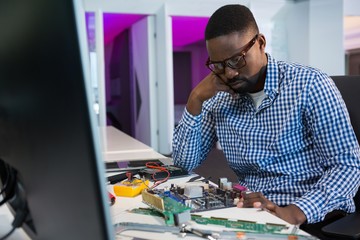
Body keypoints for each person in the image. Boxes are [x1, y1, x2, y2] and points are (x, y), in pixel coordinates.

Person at [172, 4, 360, 237]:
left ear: (260, 42)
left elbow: (346, 166)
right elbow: (183, 162)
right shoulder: (218, 97)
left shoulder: (309, 84)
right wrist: (195, 98)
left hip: (312, 216)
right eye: (218, 65)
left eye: (237, 60)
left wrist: (295, 211)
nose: (229, 73)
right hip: (252, 213)